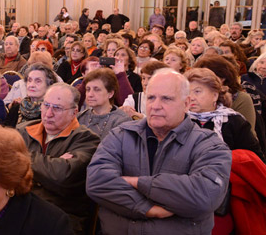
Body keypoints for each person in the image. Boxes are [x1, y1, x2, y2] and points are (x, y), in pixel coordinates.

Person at [86, 69, 232, 234]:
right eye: (151, 98)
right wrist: (147, 208)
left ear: (186, 103)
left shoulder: (210, 145)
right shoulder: (121, 135)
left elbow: (204, 196)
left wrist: (138, 183)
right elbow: (96, 181)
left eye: (166, 99)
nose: (156, 106)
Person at [16, 83, 100, 233]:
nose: (48, 113)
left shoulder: (87, 139)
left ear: (74, 112)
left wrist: (20, 156)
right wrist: (51, 165)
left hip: (61, 218)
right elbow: (2, 169)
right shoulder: (24, 130)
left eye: (57, 108)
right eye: (46, 105)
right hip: (20, 209)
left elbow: (62, 176)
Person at [186, 68, 263, 158]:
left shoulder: (233, 121)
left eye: (197, 91)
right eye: (187, 92)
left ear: (215, 95)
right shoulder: (180, 120)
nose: (191, 97)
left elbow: (254, 158)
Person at [77, 68, 132, 139]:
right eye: (88, 89)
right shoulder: (80, 117)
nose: (90, 94)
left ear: (110, 93)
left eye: (97, 90)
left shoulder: (121, 121)